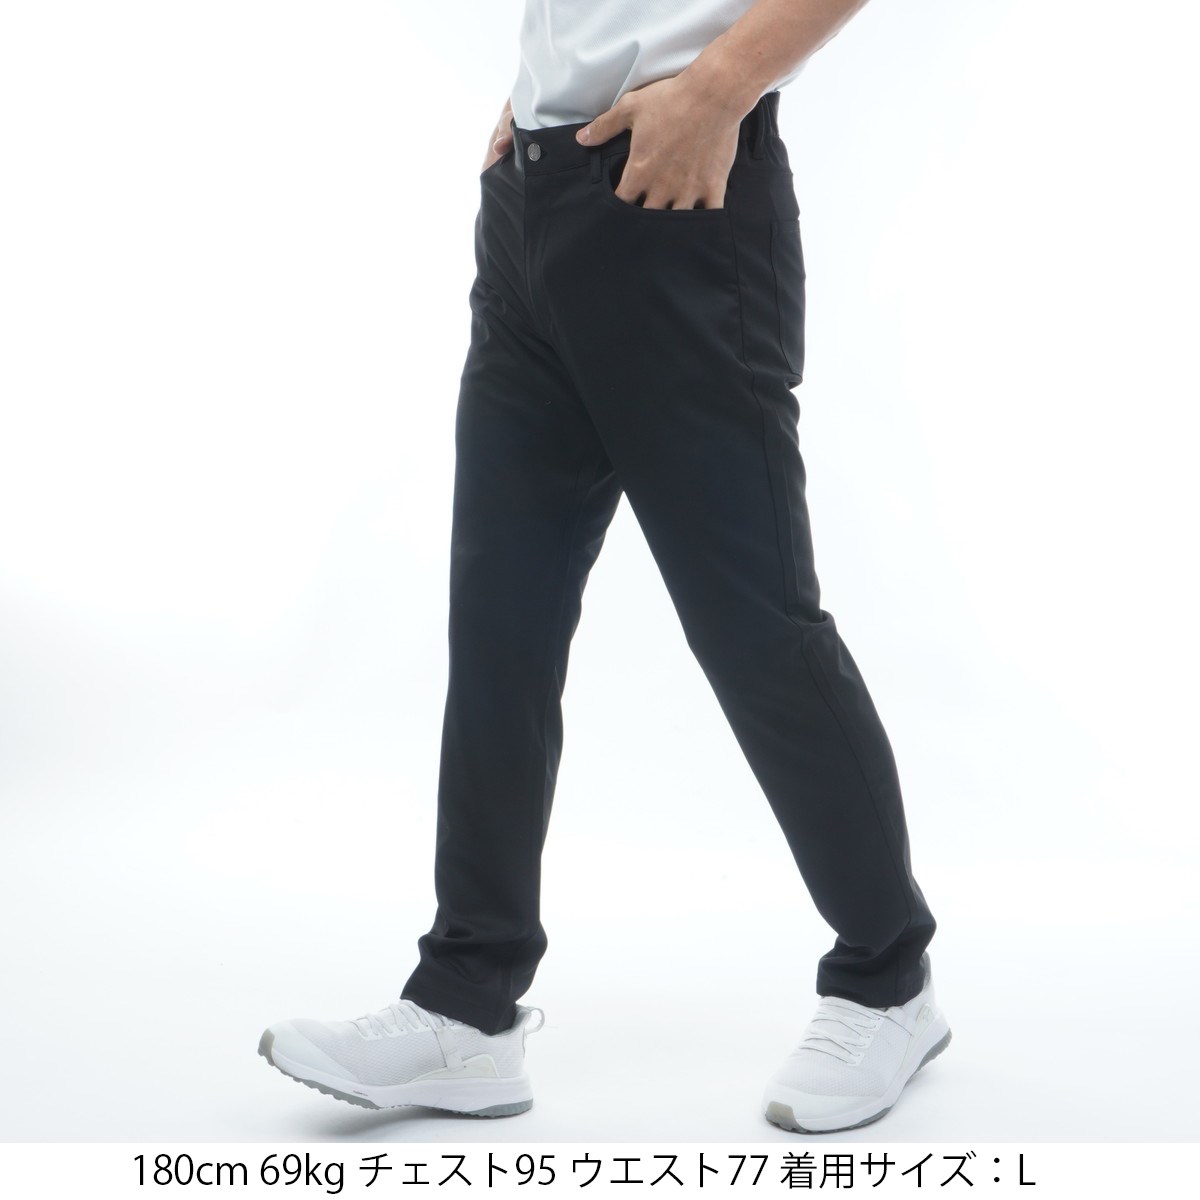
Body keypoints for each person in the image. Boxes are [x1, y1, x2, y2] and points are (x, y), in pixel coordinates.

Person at [259, 0, 952, 1135]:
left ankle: (889, 978)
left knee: (755, 627)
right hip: (532, 201)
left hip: (682, 199)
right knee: (500, 624)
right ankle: (467, 1005)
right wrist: (537, 95)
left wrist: (719, 88)